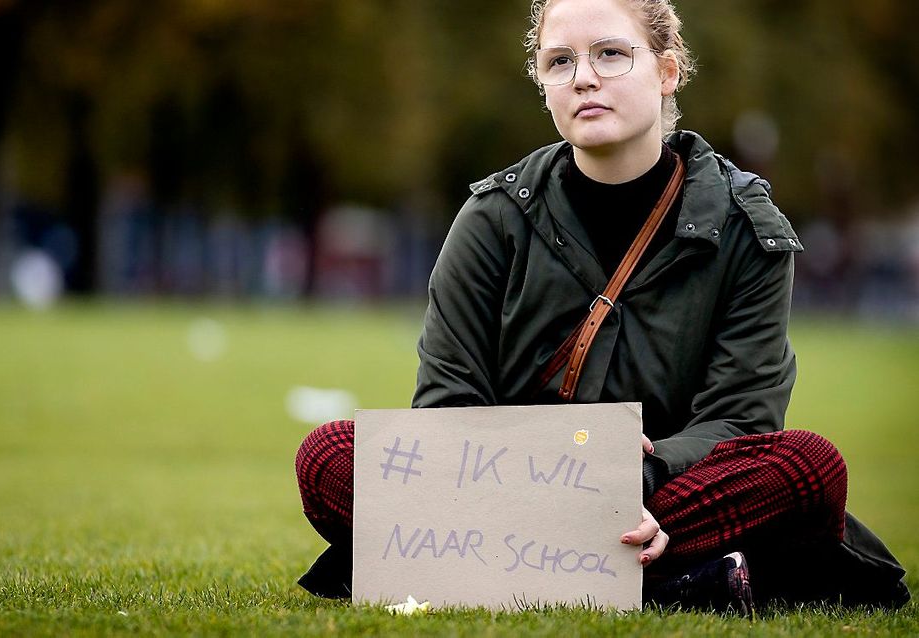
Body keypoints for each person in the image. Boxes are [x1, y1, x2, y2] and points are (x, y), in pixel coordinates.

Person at [294, 0, 909, 612]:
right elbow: (445, 408)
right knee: (328, 458)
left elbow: (742, 419)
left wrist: (636, 475)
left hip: (670, 494)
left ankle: (514, 570)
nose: (583, 76)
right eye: (560, 61)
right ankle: (678, 587)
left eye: (611, 54)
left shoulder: (745, 228)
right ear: (544, 85)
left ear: (667, 73)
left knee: (807, 468)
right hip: (503, 489)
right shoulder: (492, 219)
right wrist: (550, 479)